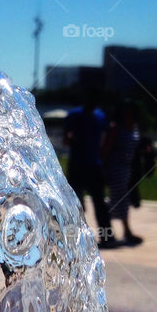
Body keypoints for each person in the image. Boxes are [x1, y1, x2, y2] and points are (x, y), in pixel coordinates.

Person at [63, 90, 115, 248]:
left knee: (100, 202)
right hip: (77, 165)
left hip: (94, 165)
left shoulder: (100, 116)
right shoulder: (74, 115)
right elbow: (66, 139)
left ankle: (106, 237)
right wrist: (72, 139)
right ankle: (73, 240)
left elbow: (107, 135)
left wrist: (104, 155)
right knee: (74, 204)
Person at [102, 101, 143, 246]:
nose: (128, 114)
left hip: (128, 167)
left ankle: (110, 225)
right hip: (116, 167)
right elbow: (106, 149)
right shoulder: (116, 128)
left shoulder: (134, 127)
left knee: (119, 199)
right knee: (121, 199)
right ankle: (124, 231)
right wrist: (103, 168)